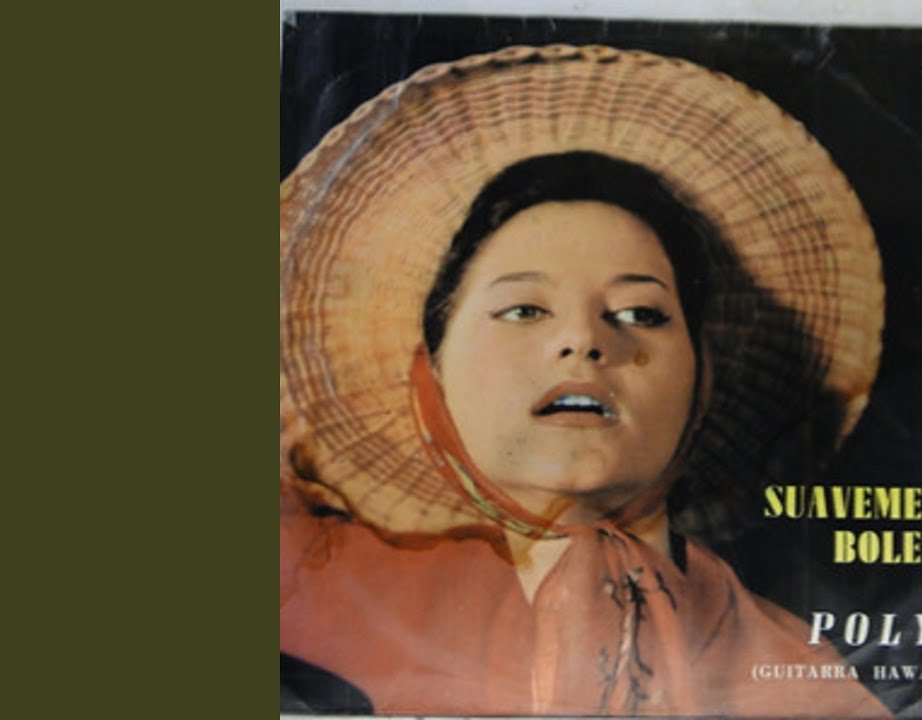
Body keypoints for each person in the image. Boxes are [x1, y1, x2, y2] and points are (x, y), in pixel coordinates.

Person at [280, 45, 887, 717]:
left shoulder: (800, 674)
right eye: (524, 310)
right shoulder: (318, 593)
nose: (585, 341)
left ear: (703, 381)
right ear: (430, 374)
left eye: (641, 313)